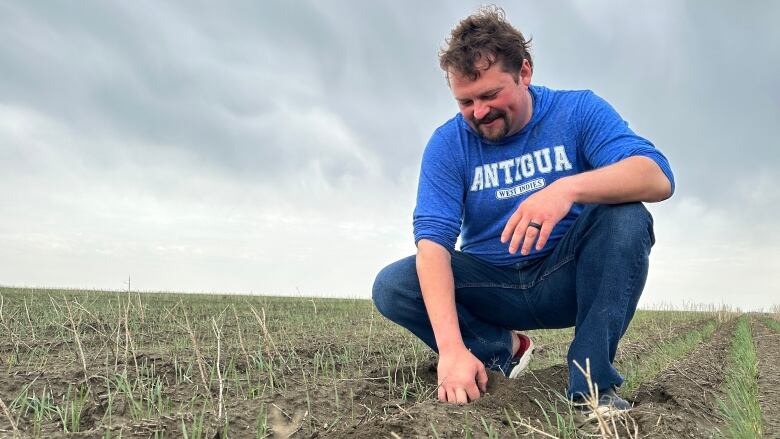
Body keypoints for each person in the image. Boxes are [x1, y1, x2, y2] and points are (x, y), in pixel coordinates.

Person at [372, 6, 674, 413]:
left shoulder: (578, 111)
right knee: (395, 285)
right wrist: (451, 350)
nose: (479, 112)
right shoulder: (448, 145)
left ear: (525, 73)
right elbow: (433, 246)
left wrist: (567, 189)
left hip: (564, 276)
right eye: (465, 101)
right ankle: (498, 350)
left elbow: (656, 177)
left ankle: (590, 385)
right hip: (493, 285)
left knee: (626, 216)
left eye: (490, 95)